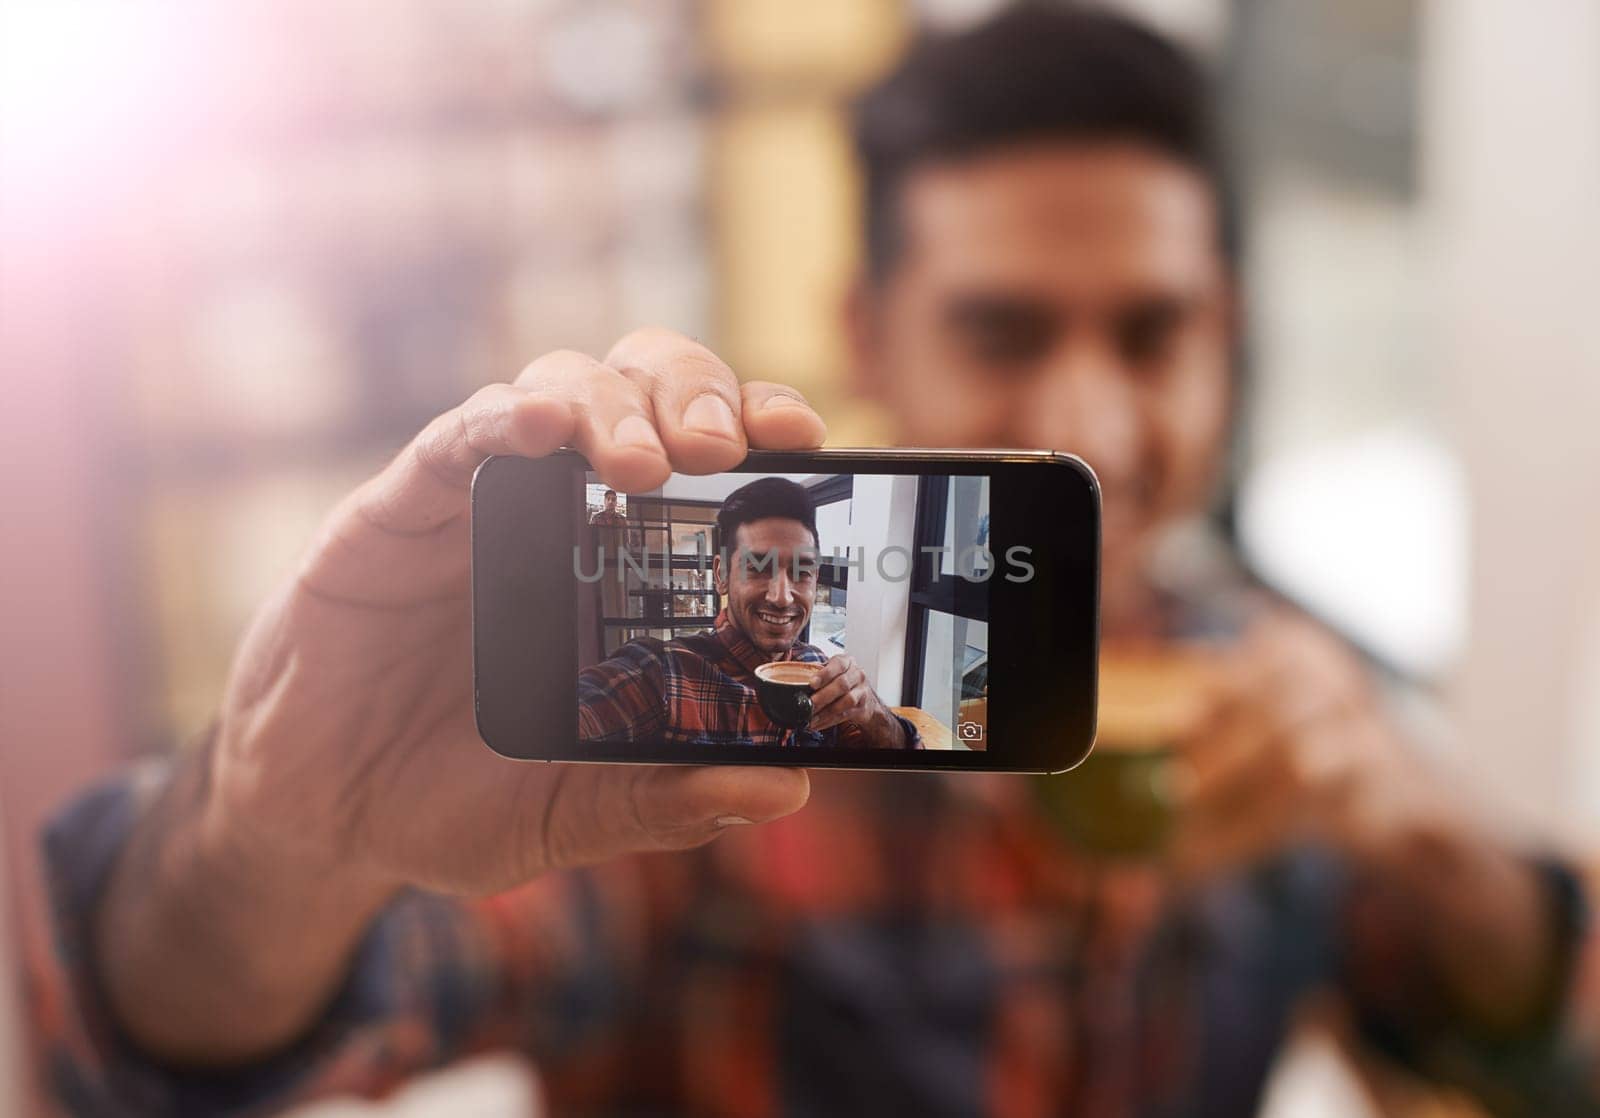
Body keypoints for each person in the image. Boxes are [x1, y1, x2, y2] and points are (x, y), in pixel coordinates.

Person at [35, 6, 1600, 1116]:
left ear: (1230, 343)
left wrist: (1428, 821)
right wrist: (270, 832)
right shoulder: (692, 734)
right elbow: (167, 1045)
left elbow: (1545, 1038)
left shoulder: (1286, 717)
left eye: (1151, 330)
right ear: (869, 337)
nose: (1086, 421)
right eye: (1001, 328)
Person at [578, 477, 917, 749]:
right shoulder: (662, 672)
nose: (782, 597)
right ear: (721, 576)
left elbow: (899, 767)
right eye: (757, 568)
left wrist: (870, 709)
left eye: (801, 572)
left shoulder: (819, 670)